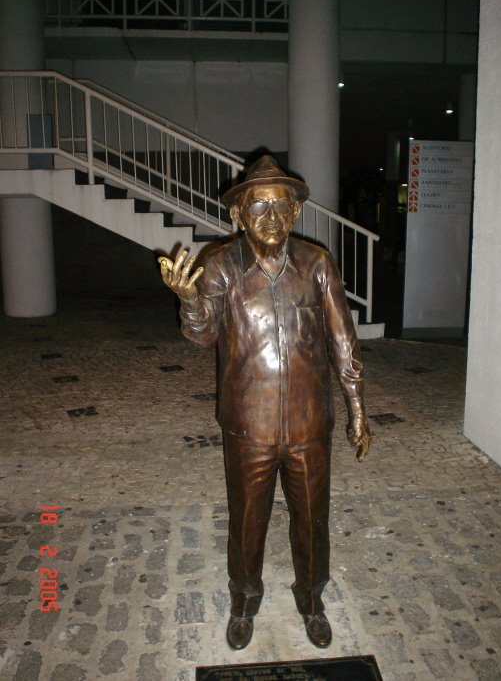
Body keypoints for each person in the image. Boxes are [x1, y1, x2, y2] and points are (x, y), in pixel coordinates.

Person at [159, 155, 371, 651]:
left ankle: (312, 600)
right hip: (247, 426)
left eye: (282, 206)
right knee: (248, 519)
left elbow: (344, 343)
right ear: (239, 215)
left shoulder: (317, 264)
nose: (272, 218)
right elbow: (204, 334)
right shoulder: (220, 265)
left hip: (308, 424)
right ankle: (244, 600)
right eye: (259, 207)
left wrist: (358, 410)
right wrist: (190, 302)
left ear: (296, 211)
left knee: (313, 520)